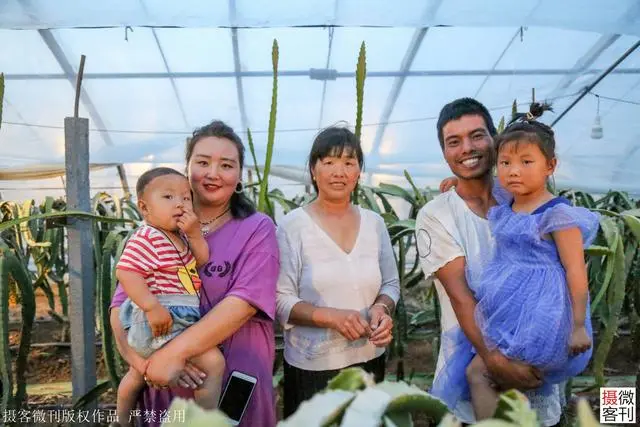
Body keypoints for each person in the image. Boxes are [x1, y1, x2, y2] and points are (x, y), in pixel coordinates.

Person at [430, 102, 598, 419]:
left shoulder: (557, 215)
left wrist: (577, 326)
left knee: (488, 378)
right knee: (487, 380)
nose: (514, 170)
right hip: (509, 317)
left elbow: (576, 270)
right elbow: (493, 185)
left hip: (542, 319)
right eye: (506, 162)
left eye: (526, 161)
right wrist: (457, 184)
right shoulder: (510, 199)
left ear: (550, 165)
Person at [110, 120, 279, 427]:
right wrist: (145, 365)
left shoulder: (257, 228)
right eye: (203, 162)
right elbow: (120, 306)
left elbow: (243, 303)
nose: (213, 173)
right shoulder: (155, 231)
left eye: (226, 165)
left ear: (239, 176)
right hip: (166, 381)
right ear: (187, 168)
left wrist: (173, 353)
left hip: (233, 380)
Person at [276, 126, 400, 417]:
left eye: (349, 162)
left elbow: (391, 284)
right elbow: (280, 300)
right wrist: (332, 317)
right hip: (314, 366)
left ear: (359, 172)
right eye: (329, 162)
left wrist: (382, 308)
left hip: (369, 358)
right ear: (313, 170)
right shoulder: (292, 226)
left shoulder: (374, 223)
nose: (339, 171)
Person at [115, 167, 225, 426]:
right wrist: (152, 307)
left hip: (177, 318)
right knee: (214, 363)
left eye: (186, 198)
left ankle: (122, 419)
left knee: (136, 374)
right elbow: (126, 272)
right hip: (160, 319)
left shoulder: (180, 239)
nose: (180, 204)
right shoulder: (146, 237)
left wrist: (195, 234)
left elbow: (201, 259)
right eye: (168, 197)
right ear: (144, 208)